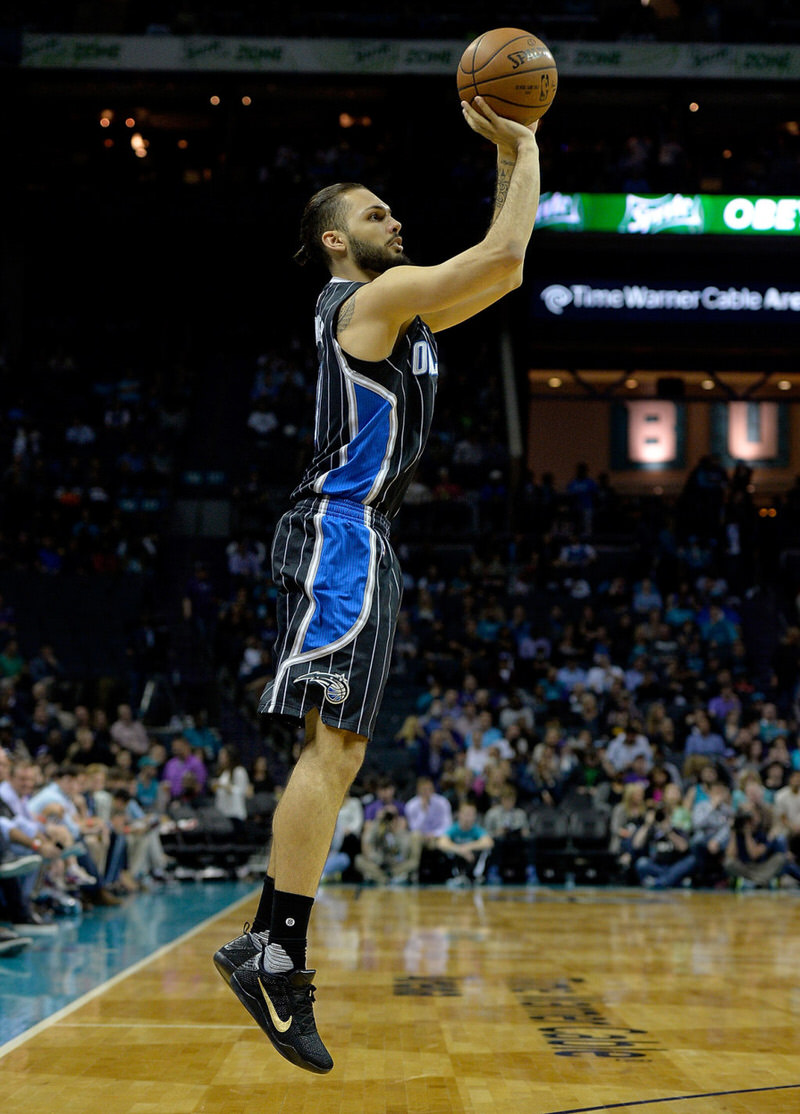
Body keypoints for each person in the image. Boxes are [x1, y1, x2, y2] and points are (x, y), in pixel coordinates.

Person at [213, 94, 542, 1074]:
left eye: (392, 210)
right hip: (340, 530)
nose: (391, 220)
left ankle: (272, 945)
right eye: (372, 214)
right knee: (336, 747)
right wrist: (519, 143)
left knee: (343, 752)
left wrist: (502, 162)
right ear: (333, 240)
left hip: (365, 538)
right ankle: (272, 950)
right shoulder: (363, 303)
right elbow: (506, 256)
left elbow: (496, 266)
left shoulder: (407, 309)